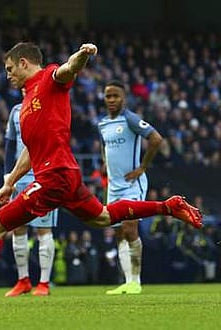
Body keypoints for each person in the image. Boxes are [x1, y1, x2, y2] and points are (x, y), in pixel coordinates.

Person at [0, 42, 202, 304]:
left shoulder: (49, 78)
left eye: (10, 68)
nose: (7, 75)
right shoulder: (26, 104)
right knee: (103, 218)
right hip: (64, 174)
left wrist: (83, 53)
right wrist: (10, 182)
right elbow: (30, 151)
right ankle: (169, 206)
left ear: (24, 63)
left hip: (54, 176)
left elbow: (69, 68)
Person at [99, 80, 163, 295]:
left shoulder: (131, 119)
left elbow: (155, 138)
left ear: (123, 98)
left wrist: (142, 167)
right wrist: (105, 164)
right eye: (108, 96)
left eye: (115, 96)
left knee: (130, 228)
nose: (111, 100)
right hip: (114, 187)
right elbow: (105, 147)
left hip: (131, 185)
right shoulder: (102, 124)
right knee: (119, 233)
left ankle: (136, 281)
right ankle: (127, 281)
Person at [4, 94, 57, 297]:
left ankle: (44, 283)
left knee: (43, 229)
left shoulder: (50, 108)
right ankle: (23, 280)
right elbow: (10, 145)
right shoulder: (16, 111)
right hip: (20, 177)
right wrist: (7, 176)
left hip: (44, 174)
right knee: (17, 227)